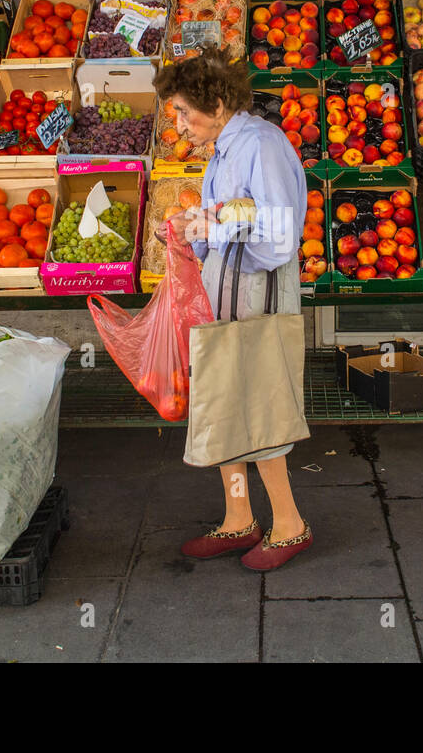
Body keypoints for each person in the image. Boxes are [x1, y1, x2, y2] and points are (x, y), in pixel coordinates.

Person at [153, 47, 313, 572]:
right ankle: (239, 517)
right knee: (226, 400)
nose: (179, 124)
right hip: (226, 293)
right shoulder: (224, 149)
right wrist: (186, 230)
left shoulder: (261, 146)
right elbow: (226, 219)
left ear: (218, 104)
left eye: (183, 111)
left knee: (261, 404)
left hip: (258, 298)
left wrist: (210, 228)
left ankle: (290, 525)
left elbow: (280, 237)